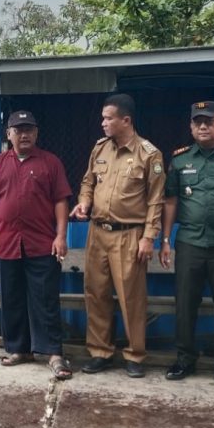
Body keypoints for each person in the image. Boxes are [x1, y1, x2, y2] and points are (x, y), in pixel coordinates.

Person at [70, 94, 166, 378]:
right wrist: (84, 202)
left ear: (126, 120)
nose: (103, 123)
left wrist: (149, 237)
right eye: (102, 118)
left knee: (131, 298)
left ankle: (135, 355)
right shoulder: (100, 148)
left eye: (108, 118)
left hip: (129, 235)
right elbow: (88, 182)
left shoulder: (149, 154)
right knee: (96, 293)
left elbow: (156, 200)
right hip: (98, 232)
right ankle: (100, 352)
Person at [0, 110, 73, 379]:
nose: (24, 134)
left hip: (42, 244)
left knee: (45, 300)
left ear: (37, 133)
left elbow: (61, 200)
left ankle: (53, 353)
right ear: (9, 134)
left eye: (29, 129)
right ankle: (18, 349)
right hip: (7, 244)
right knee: (11, 299)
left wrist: (61, 236)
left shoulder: (50, 163)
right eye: (18, 130)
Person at [160, 101, 214, 385]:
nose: (203, 126)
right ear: (191, 127)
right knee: (185, 304)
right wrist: (165, 240)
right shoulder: (180, 160)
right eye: (198, 122)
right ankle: (185, 358)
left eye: (209, 121)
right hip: (190, 243)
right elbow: (171, 201)